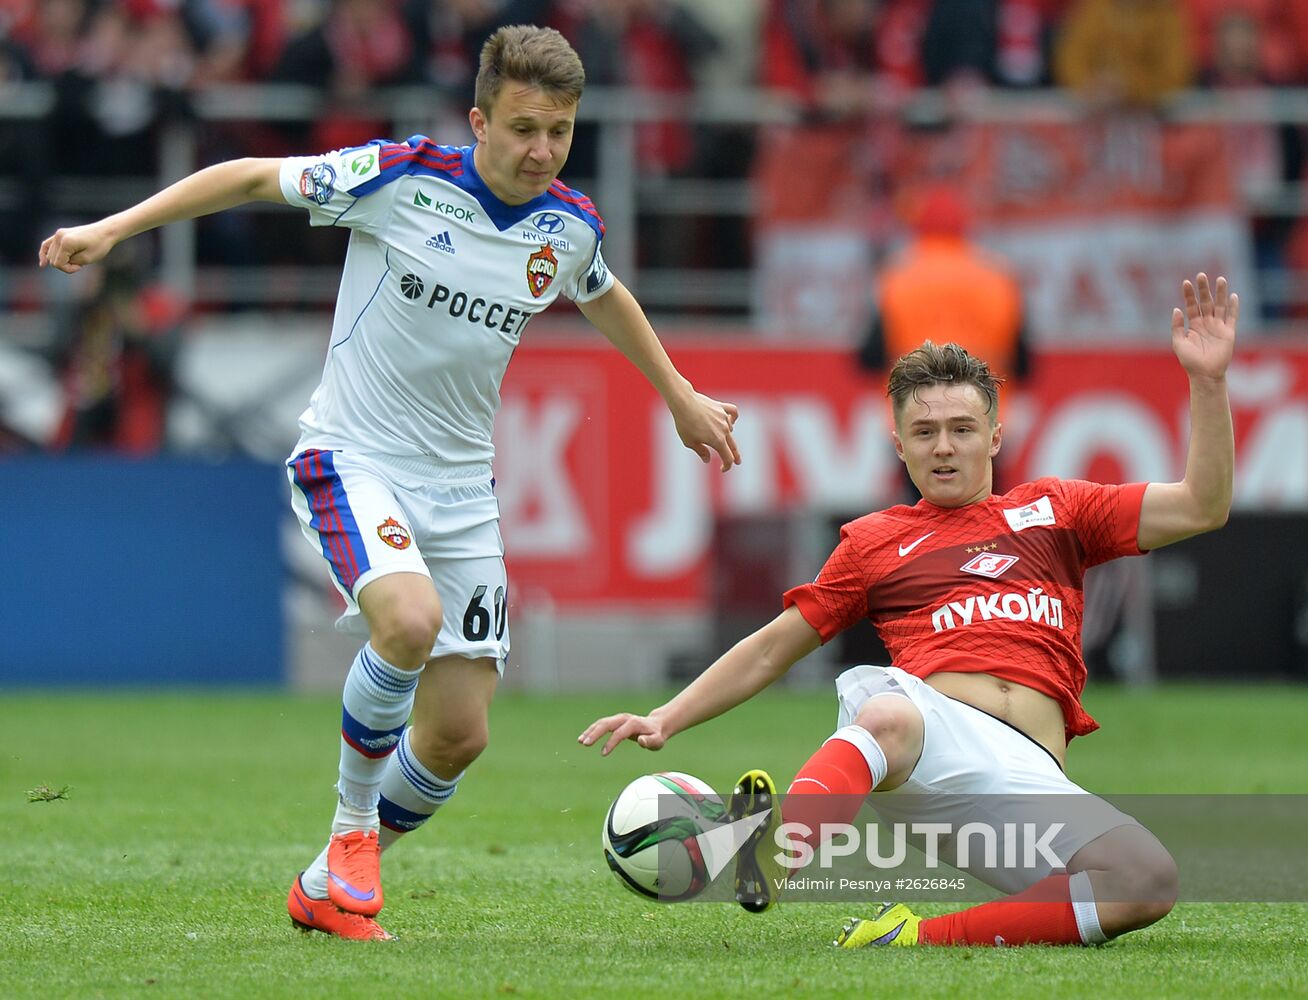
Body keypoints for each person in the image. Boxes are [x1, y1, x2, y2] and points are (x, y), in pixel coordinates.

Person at [41, 24, 741, 941]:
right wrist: (111, 229)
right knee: (407, 622)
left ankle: (320, 888)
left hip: (462, 493)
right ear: (479, 121)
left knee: (458, 736)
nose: (542, 150)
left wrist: (679, 395)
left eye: (560, 131)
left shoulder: (567, 225)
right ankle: (351, 833)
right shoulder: (399, 178)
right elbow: (248, 176)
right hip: (353, 459)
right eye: (524, 128)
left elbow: (602, 290)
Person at [581, 273, 1237, 948]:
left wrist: (1209, 381)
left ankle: (910, 937)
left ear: (995, 436)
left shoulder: (1058, 510)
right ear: (899, 445)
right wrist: (668, 716)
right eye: (924, 432)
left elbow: (1202, 506)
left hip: (1025, 778)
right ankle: (775, 855)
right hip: (929, 744)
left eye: (961, 429)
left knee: (1145, 881)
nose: (943, 446)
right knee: (889, 712)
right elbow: (775, 647)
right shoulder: (876, 541)